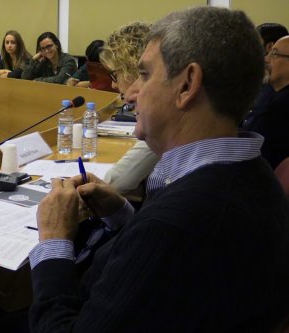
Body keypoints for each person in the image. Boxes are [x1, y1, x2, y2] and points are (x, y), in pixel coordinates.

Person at [29, 6, 289, 333]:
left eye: (145, 74)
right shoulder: (254, 173)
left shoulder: (177, 226)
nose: (132, 92)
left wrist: (53, 241)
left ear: (187, 85)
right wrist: (124, 215)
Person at [98, 23, 157, 196]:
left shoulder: (160, 116)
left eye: (114, 75)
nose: (113, 84)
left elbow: (116, 183)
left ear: (131, 69)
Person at [241, 36, 289, 170]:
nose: (266, 59)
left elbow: (252, 154)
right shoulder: (272, 96)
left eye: (274, 54)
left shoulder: (279, 109)